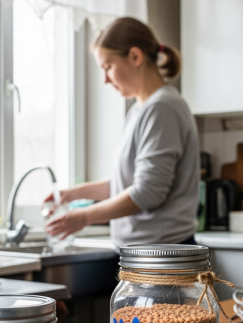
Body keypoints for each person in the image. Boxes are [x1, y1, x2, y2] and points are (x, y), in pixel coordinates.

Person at [44, 17, 200, 248]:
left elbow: (147, 192)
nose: (105, 80)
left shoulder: (162, 108)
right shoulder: (140, 110)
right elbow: (124, 183)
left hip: (163, 253)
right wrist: (72, 194)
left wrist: (84, 217)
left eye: (108, 67)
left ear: (135, 56)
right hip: (146, 252)